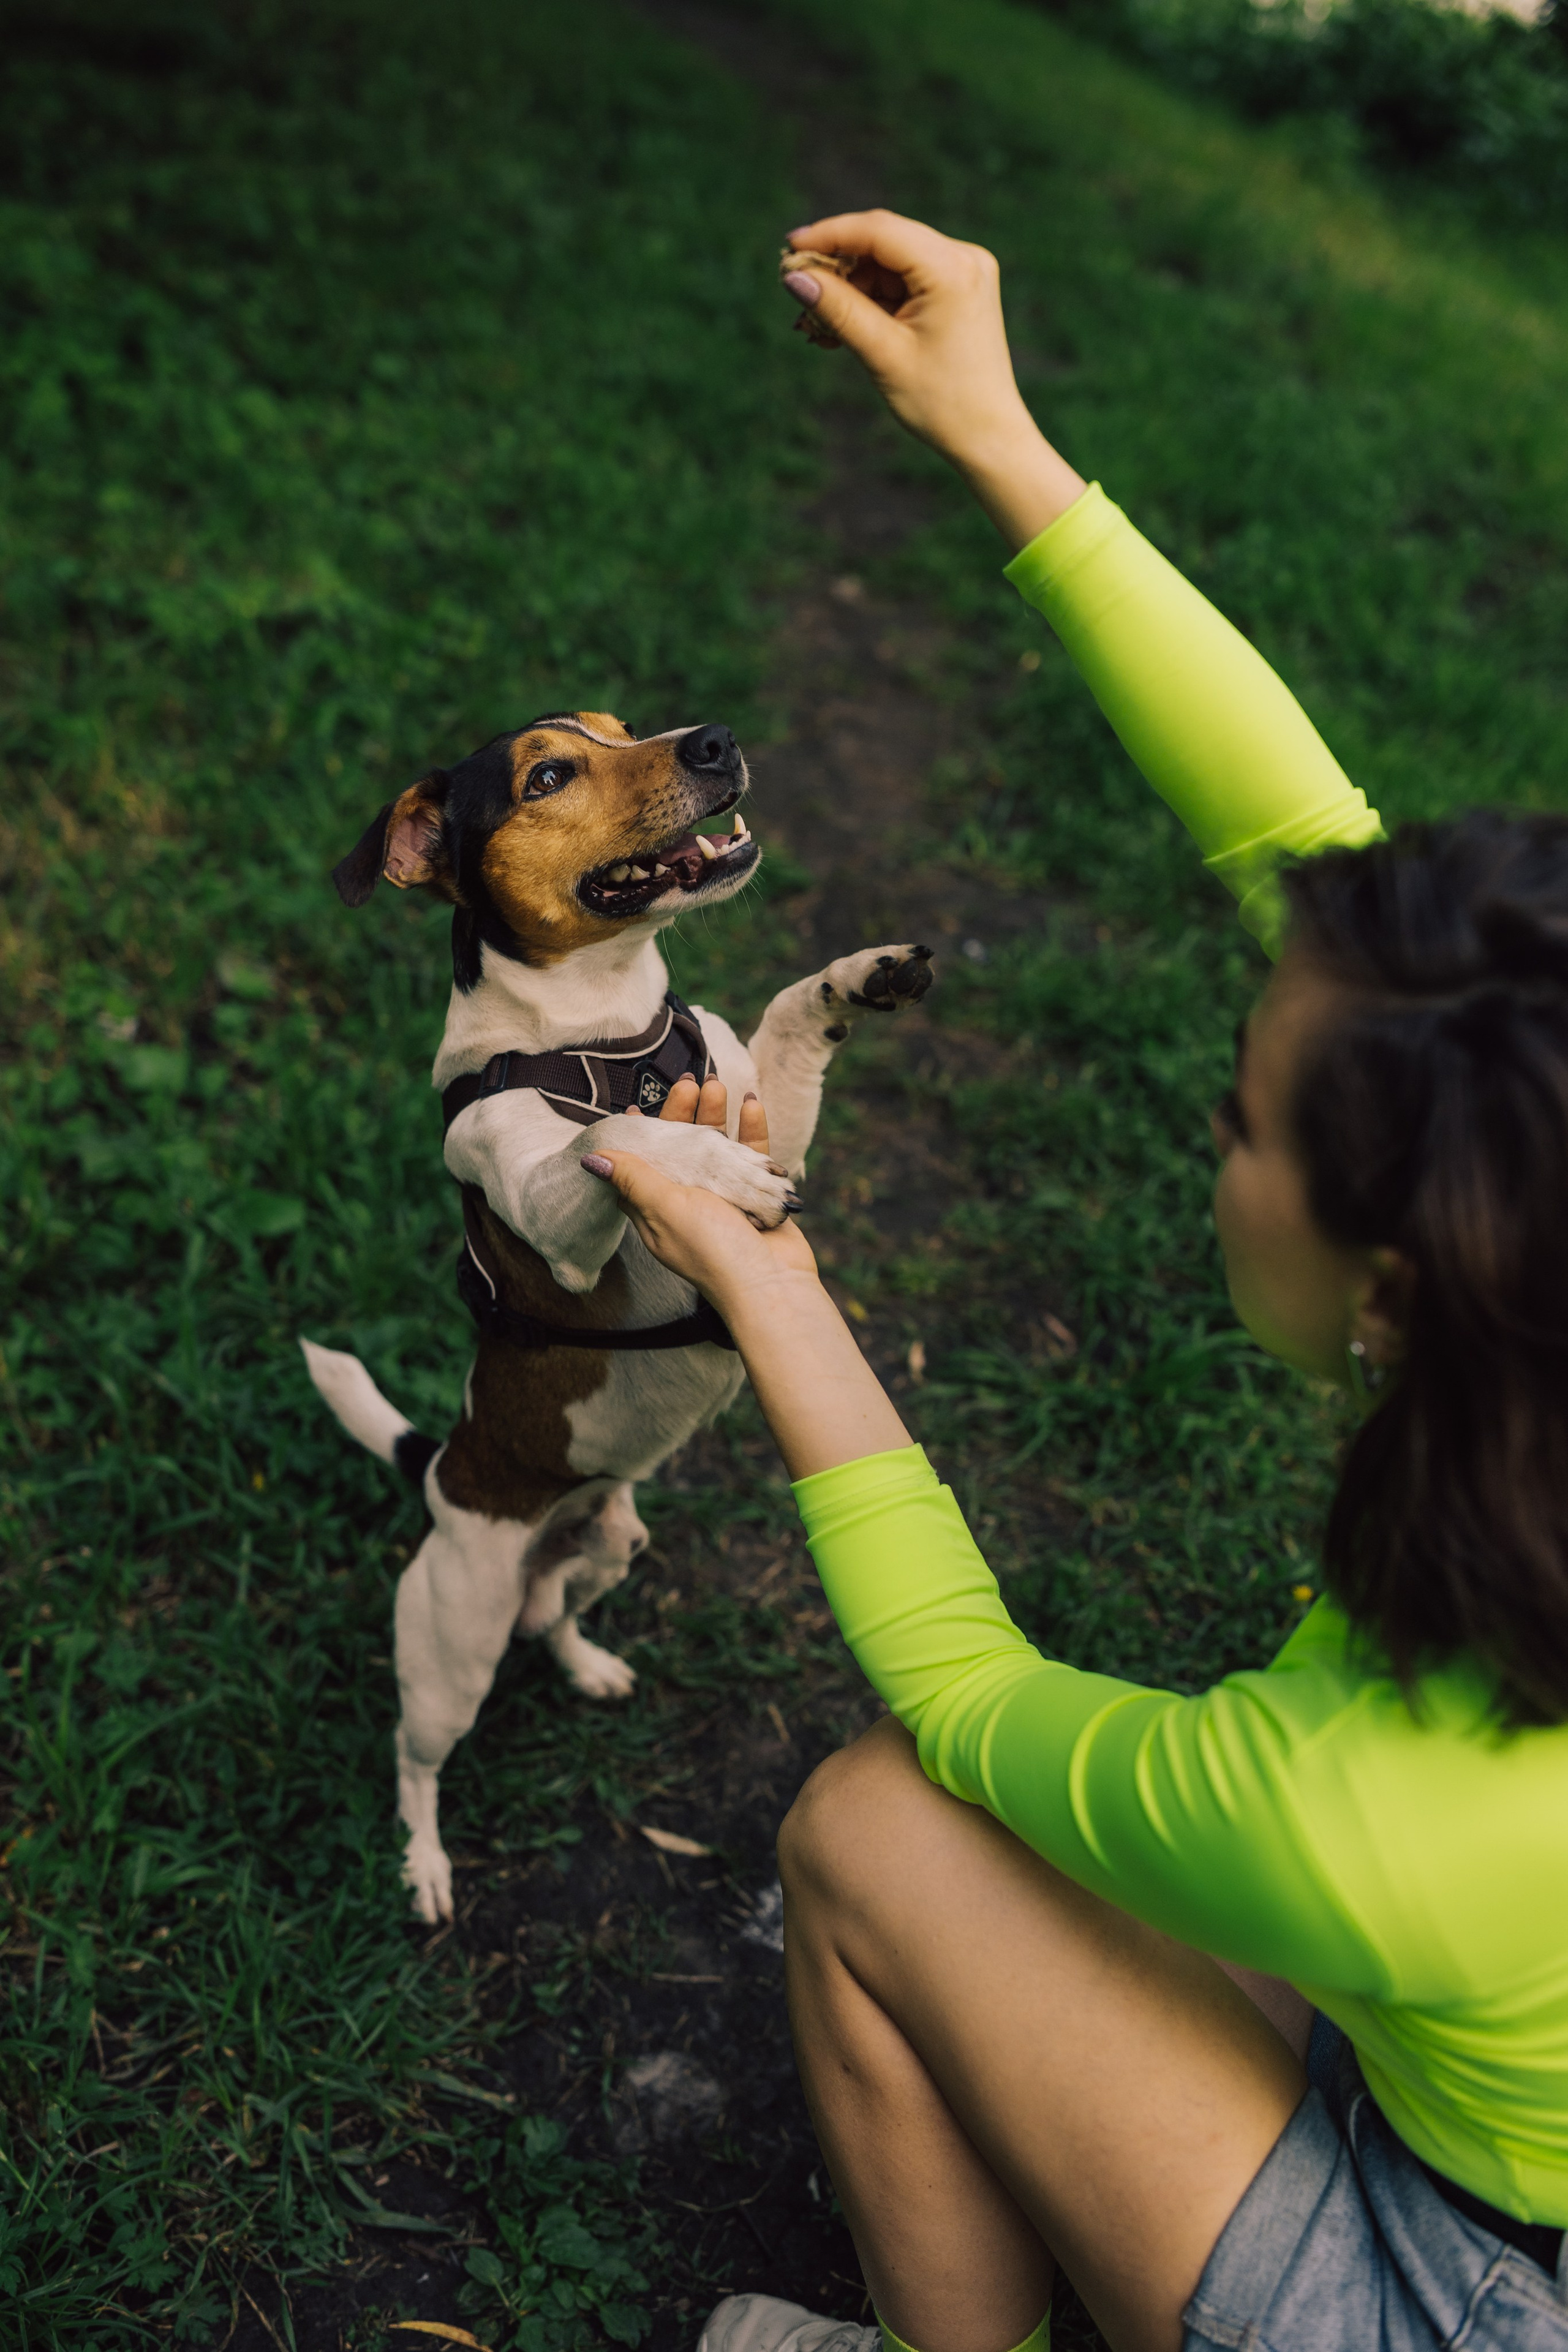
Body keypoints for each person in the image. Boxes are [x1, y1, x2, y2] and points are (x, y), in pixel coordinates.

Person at [582, 214, 1568, 2352]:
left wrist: (761, 1270)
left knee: (875, 1835)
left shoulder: (1374, 1816)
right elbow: (1316, 861)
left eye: (1236, 1120)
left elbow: (962, 1694)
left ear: (1397, 1275)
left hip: (1482, 2294)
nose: (1212, 1142)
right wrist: (997, 438)